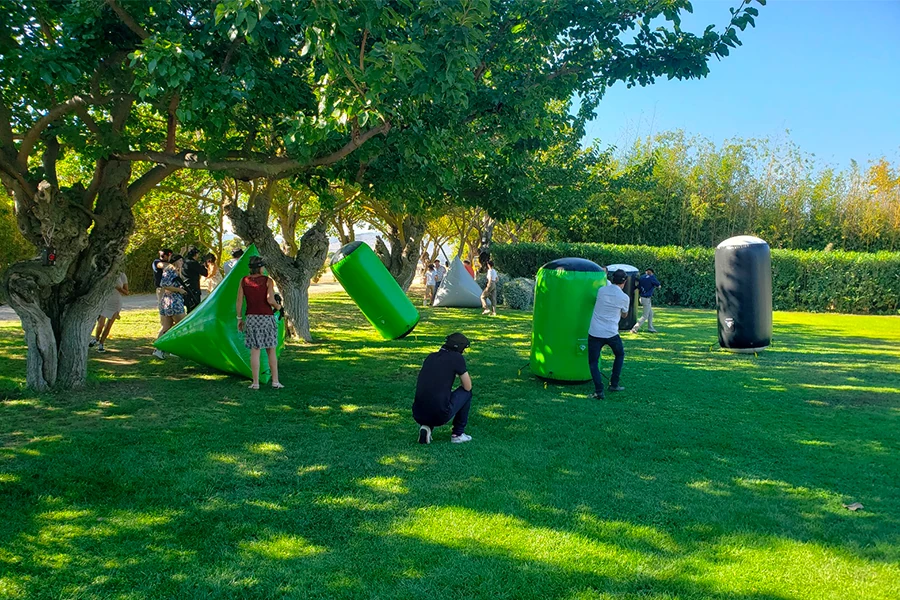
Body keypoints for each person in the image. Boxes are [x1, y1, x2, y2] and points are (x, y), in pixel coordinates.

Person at [413, 333, 473, 444]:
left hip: (418, 413)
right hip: (440, 414)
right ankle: (458, 434)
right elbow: (467, 386)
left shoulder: (430, 357)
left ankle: (426, 427)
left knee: (435, 395)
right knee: (467, 393)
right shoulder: (456, 358)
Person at [236, 256, 284, 390]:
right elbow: (270, 299)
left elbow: (239, 301)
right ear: (261, 267)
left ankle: (255, 383)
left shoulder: (244, 281)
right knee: (271, 350)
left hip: (251, 318)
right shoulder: (268, 281)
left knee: (255, 351)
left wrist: (239, 318)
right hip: (266, 317)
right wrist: (279, 307)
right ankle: (275, 381)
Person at [588, 269, 631, 399]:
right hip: (611, 332)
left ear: (612, 279)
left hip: (595, 332)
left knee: (593, 362)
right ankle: (614, 383)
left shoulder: (601, 290)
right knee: (619, 354)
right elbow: (625, 315)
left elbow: (604, 283)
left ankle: (599, 391)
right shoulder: (624, 298)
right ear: (624, 282)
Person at [154, 254, 187, 359]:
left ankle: (158, 349)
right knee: (181, 325)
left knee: (166, 326)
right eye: (180, 261)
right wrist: (179, 290)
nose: (182, 263)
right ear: (176, 261)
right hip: (173, 301)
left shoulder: (174, 271)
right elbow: (165, 284)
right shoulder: (170, 270)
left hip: (170, 301)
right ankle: (175, 348)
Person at [89, 272, 129, 352]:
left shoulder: (122, 275)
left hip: (116, 303)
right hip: (105, 301)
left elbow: (127, 292)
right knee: (101, 323)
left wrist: (119, 288)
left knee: (109, 325)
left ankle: (101, 343)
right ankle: (96, 338)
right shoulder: (105, 273)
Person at [631, 268, 661, 333]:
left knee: (650, 313)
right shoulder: (651, 277)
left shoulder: (642, 277)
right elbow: (658, 285)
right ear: (651, 272)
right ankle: (634, 328)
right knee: (645, 316)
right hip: (646, 299)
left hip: (642, 298)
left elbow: (638, 287)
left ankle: (650, 328)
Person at [181, 248, 207, 313]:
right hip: (194, 287)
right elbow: (205, 273)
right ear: (195, 254)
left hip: (185, 286)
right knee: (195, 308)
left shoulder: (183, 262)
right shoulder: (193, 263)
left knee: (189, 307)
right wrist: (203, 265)